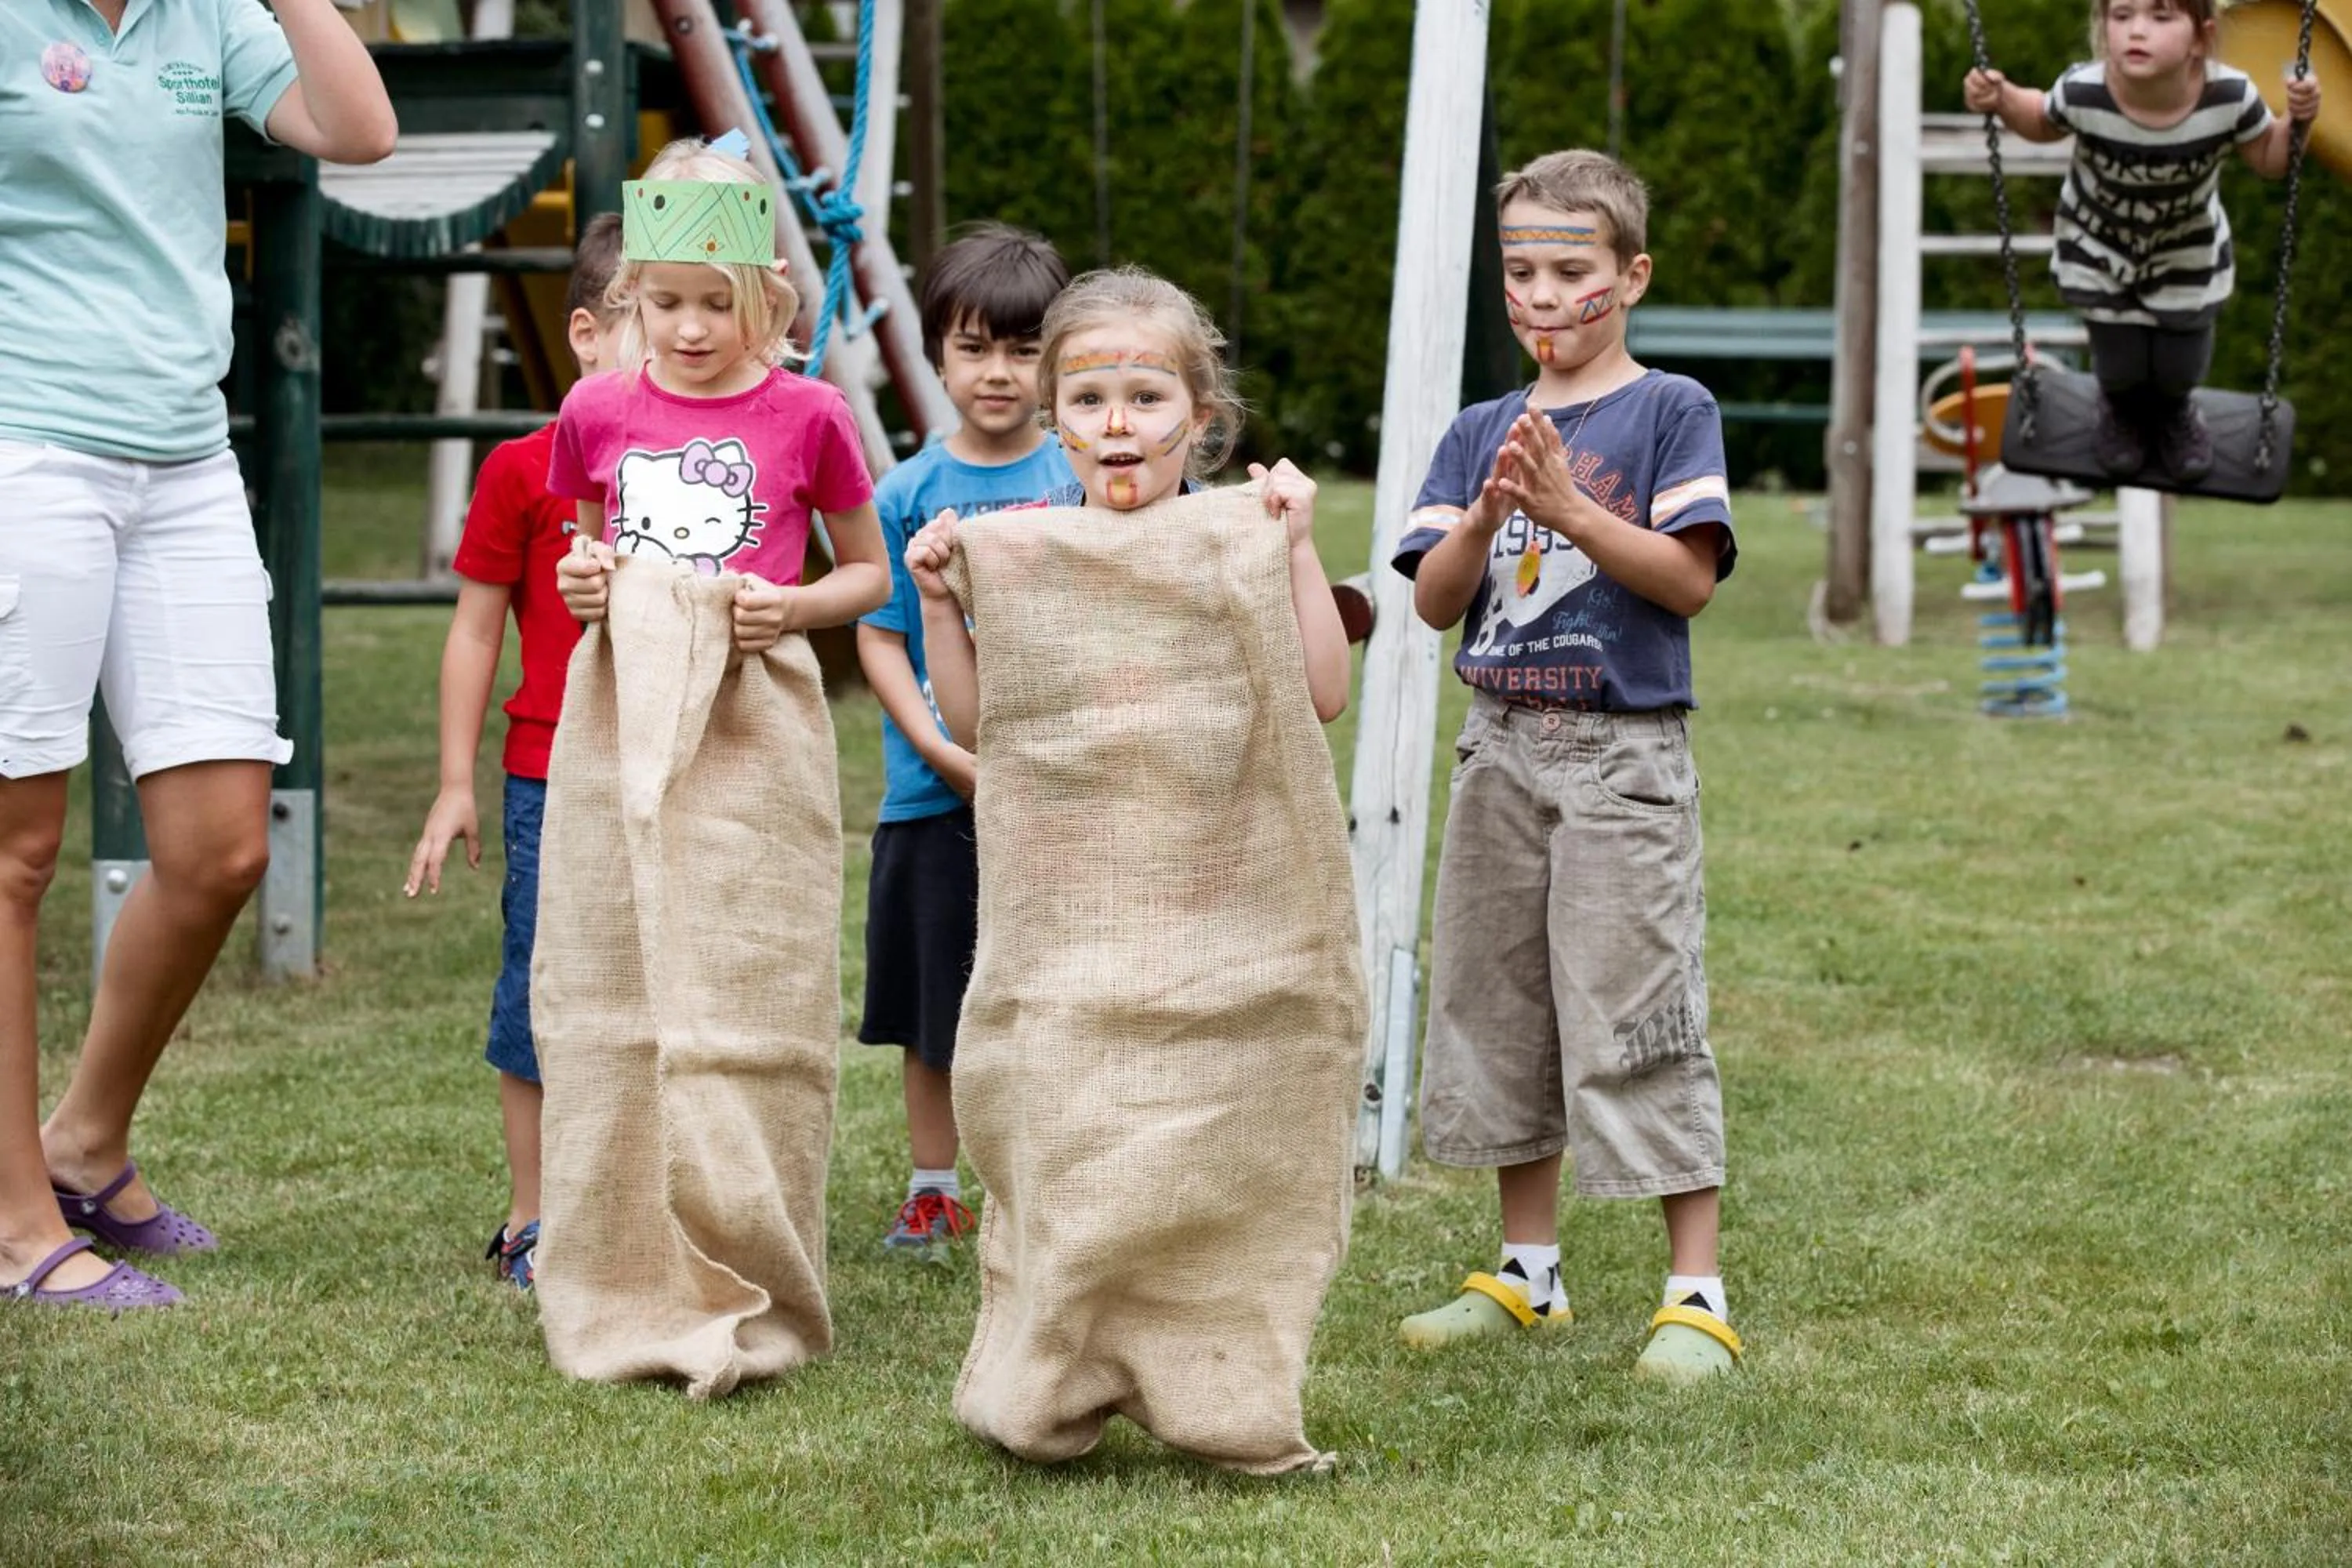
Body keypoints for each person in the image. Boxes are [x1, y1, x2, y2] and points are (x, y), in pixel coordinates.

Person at [0, 0, 394, 1311]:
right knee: (17, 855)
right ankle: (14, 1229)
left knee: (223, 845)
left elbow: (361, 130)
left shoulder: (210, 14)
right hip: (26, 448)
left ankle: (83, 1144)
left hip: (180, 459)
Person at [1388, 151, 1742, 1382]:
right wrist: (1489, 515)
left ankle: (1695, 1293)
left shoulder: (1669, 412)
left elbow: (1687, 577)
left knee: (1634, 1006)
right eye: (1521, 271)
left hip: (1620, 761)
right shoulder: (1480, 430)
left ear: (1629, 277)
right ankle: (1526, 1273)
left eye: (1571, 271)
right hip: (1496, 751)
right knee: (1495, 1006)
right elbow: (1435, 606)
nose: (1542, 296)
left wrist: (1574, 511)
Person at [401, 215, 628, 1292]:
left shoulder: (717, 476)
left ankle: (648, 1202)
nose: (682, 343)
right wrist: (457, 783)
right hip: (550, 771)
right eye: (651, 317)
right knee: (538, 991)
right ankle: (533, 1216)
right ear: (585, 335)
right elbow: (475, 627)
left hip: (680, 767)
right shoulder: (522, 470)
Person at [855, 225, 1072, 1261]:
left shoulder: (1085, 479)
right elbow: (881, 637)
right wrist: (941, 752)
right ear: (935, 356)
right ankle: (934, 1190)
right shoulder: (904, 495)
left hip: (1067, 792)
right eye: (974, 347)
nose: (997, 372)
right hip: (935, 803)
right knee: (935, 1007)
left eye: (1024, 350)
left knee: (1053, 998)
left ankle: (1048, 1187)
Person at [1963, 0, 2322, 481]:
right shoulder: (2084, 91)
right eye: (2122, 15)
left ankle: (2175, 416)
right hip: (2100, 248)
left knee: (2179, 366)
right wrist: (2002, 96)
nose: (2137, 31)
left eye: (2160, 16)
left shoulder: (2229, 97)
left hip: (2186, 250)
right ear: (2103, 25)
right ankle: (2121, 416)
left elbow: (2270, 159)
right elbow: (2039, 119)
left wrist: (2297, 122)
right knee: (2120, 365)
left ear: (2200, 38)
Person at [550, 136, 888, 632]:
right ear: (633, 289)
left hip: (755, 692)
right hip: (634, 690)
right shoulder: (593, 407)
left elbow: (871, 574)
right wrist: (581, 582)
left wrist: (792, 608)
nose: (691, 329)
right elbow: (592, 552)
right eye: (666, 303)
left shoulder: (813, 414)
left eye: (719, 304)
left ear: (770, 290)